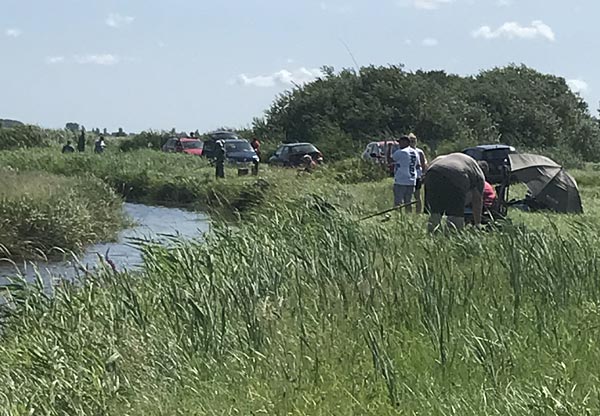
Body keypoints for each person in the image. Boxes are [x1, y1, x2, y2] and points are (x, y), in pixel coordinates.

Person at [424, 152, 485, 232]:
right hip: (456, 173)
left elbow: (434, 163)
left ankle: (432, 234)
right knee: (455, 215)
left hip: (432, 173)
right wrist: (477, 224)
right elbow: (477, 200)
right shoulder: (479, 175)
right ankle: (452, 234)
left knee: (435, 212)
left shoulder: (456, 157)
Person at [390, 135, 420, 213]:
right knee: (408, 202)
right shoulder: (415, 152)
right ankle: (408, 216)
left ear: (405, 142)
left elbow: (390, 160)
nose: (399, 144)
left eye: (400, 142)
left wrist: (389, 148)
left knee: (398, 202)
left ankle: (397, 216)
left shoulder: (400, 152)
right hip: (412, 181)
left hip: (401, 180)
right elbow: (417, 165)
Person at [408, 133, 428, 213]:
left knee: (417, 195)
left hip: (417, 176)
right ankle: (408, 212)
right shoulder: (405, 151)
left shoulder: (419, 152)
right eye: (410, 141)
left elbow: (423, 164)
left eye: (413, 141)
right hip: (408, 176)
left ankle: (418, 212)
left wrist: (423, 174)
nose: (412, 143)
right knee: (408, 196)